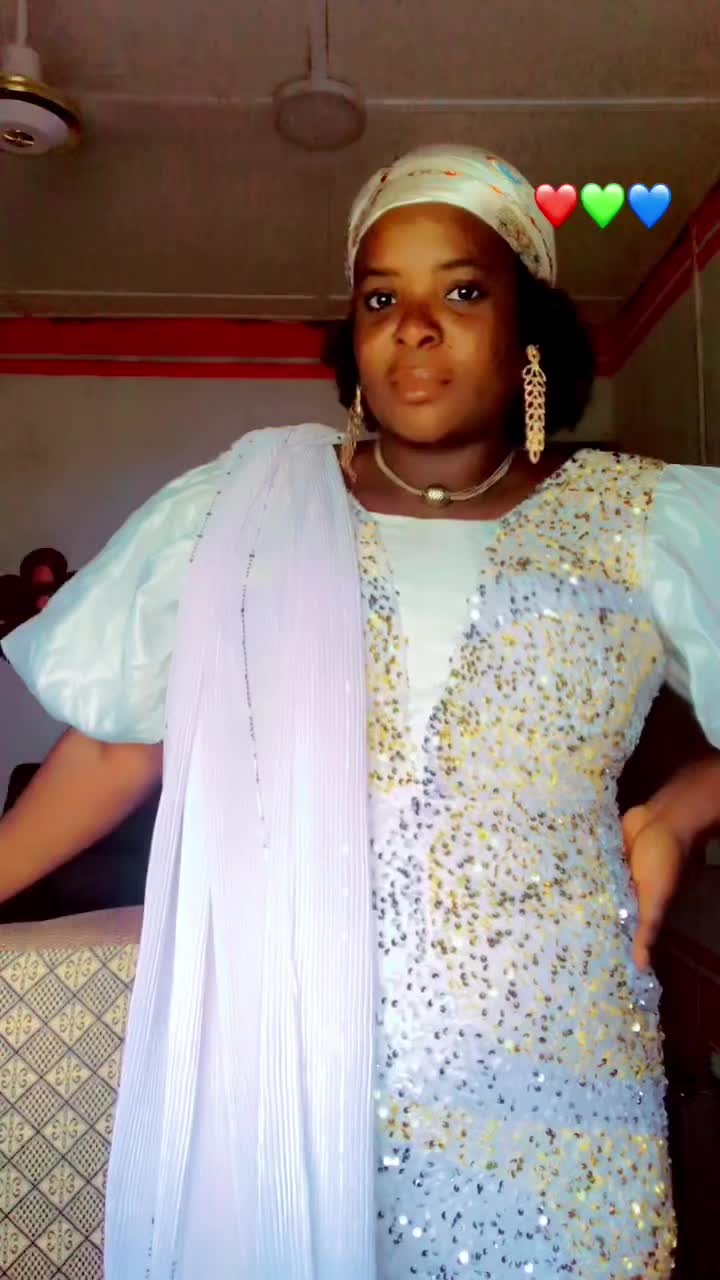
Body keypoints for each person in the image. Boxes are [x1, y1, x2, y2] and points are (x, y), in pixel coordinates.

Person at [1, 144, 720, 1280]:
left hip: (563, 1088)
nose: (415, 327)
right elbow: (123, 742)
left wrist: (677, 811)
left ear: (529, 332)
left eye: (462, 292)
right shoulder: (250, 507)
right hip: (289, 1071)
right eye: (382, 298)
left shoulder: (649, 521)